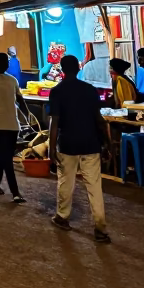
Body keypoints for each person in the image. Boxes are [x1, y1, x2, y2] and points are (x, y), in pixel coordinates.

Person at [48, 54, 110, 242]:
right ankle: (100, 228)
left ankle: (62, 217)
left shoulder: (57, 91)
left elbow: (55, 122)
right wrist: (107, 143)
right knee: (94, 186)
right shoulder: (90, 90)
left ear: (62, 69)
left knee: (66, 182)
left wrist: (51, 148)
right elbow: (98, 119)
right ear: (78, 68)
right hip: (91, 143)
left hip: (67, 144)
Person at [0, 51, 30, 201]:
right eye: (3, 62)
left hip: (11, 125)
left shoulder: (12, 80)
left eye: (6, 62)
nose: (5, 64)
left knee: (4, 156)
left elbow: (20, 100)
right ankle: (15, 193)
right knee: (7, 158)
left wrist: (28, 117)